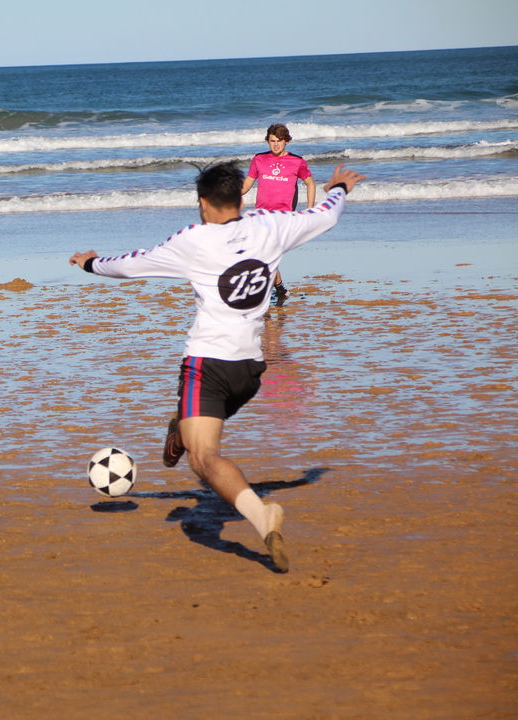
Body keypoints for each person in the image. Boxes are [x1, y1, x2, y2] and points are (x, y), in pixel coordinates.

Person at [70, 162, 365, 572]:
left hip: (207, 366)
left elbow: (131, 265)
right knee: (197, 435)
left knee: (203, 457)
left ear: (203, 203)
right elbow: (326, 216)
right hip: (250, 371)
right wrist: (338, 189)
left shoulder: (194, 239)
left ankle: (261, 515)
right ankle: (183, 426)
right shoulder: (271, 225)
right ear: (241, 199)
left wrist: (90, 263)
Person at [241, 123, 316, 305]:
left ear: (286, 141)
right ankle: (280, 290)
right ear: (268, 141)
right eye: (272, 141)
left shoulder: (297, 161)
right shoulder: (259, 159)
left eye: (279, 141)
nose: (275, 145)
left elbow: (310, 184)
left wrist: (310, 210)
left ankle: (265, 293)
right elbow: (247, 184)